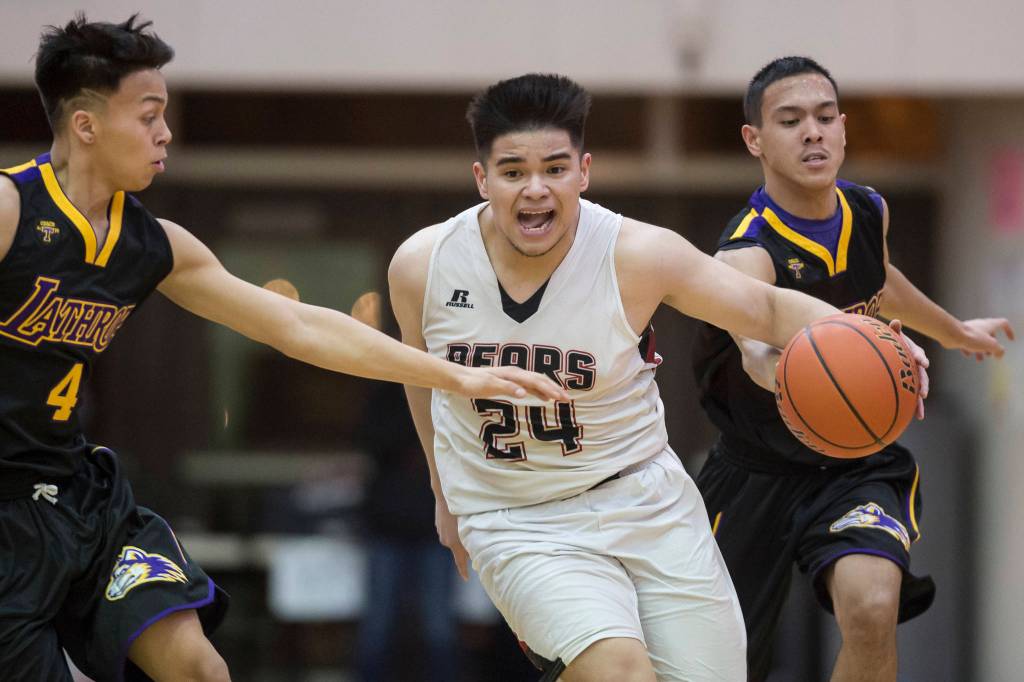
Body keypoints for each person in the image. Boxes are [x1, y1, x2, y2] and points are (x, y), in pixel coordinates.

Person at [0, 15, 566, 682]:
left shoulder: (153, 244)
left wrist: (454, 377)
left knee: (198, 669)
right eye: (148, 115)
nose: (166, 134)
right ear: (86, 124)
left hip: (82, 498)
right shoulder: (12, 209)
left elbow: (301, 328)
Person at [388, 73, 928, 681]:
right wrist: (443, 492)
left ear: (584, 171)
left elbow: (769, 308)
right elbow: (422, 379)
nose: (535, 191)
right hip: (517, 516)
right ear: (482, 179)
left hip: (645, 497)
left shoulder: (637, 254)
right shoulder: (422, 265)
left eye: (555, 169)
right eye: (513, 172)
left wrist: (871, 342)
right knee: (620, 670)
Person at [691, 56, 1015, 682]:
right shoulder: (746, 251)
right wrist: (836, 356)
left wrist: (951, 331)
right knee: (713, 665)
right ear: (754, 140)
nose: (812, 132)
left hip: (852, 463)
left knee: (871, 608)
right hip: (754, 470)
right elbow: (757, 356)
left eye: (824, 116)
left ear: (842, 128)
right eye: (790, 120)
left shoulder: (869, 211)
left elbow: (879, 281)